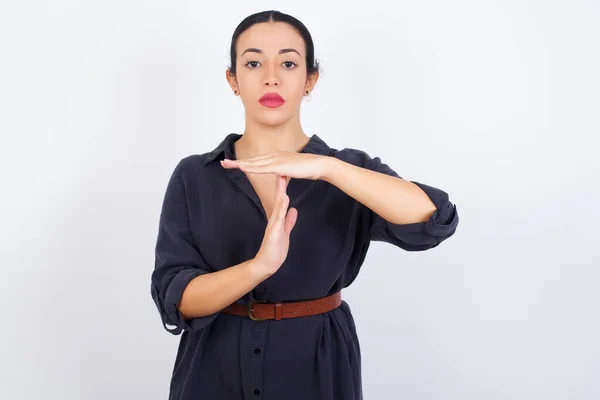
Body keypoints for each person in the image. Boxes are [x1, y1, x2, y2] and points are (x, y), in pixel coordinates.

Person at [150, 10, 459, 400]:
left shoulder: (348, 170)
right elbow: (176, 299)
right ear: (233, 79)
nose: (271, 76)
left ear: (309, 79)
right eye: (253, 62)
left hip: (317, 367)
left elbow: (433, 218)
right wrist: (258, 267)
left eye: (289, 62)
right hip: (214, 369)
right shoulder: (194, 175)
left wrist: (327, 167)